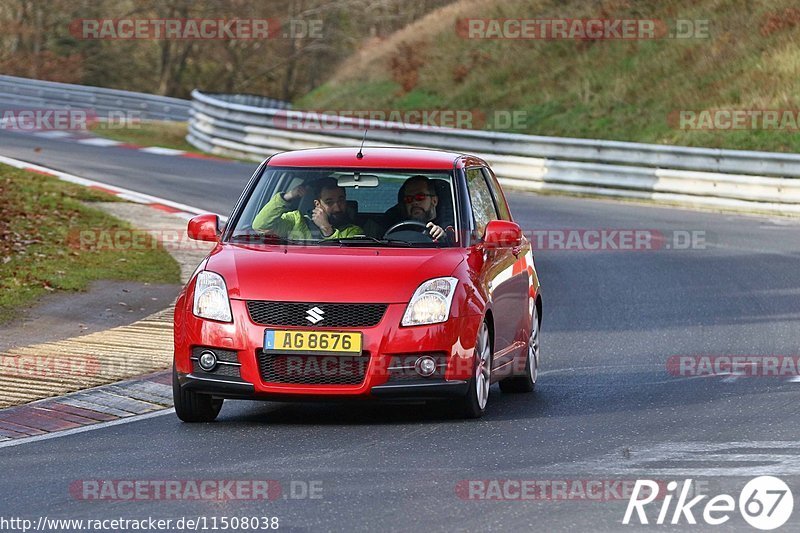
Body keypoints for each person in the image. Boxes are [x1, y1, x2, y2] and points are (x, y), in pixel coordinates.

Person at [253, 177, 363, 239]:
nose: (337, 207)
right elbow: (260, 226)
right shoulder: (295, 220)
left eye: (341, 200)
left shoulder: (353, 231)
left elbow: (344, 259)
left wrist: (327, 229)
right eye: (329, 202)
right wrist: (287, 197)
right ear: (317, 204)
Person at [397, 175, 453, 242]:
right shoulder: (396, 228)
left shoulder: (454, 226)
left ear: (434, 201)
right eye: (408, 199)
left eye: (420, 197)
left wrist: (443, 236)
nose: (414, 202)